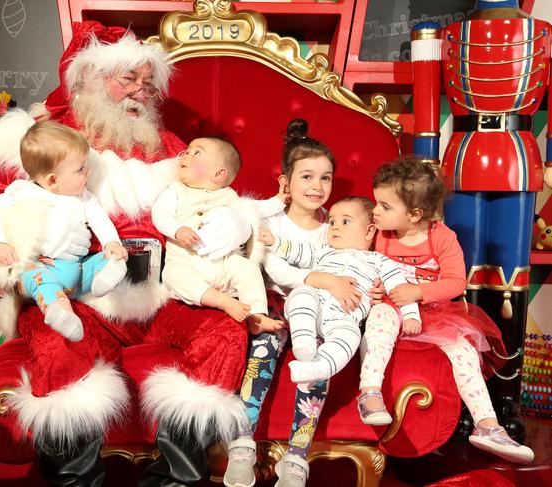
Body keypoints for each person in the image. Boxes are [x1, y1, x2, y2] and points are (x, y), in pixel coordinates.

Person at [0, 21, 254, 486]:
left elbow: (220, 190)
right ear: (88, 79)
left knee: (224, 332)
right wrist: (13, 252)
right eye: (127, 78)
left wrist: (239, 221)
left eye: (147, 81)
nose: (140, 91)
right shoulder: (41, 137)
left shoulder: (173, 147)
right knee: (55, 340)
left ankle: (176, 478)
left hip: (164, 299)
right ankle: (77, 480)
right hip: (82, 300)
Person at [358, 157, 534, 464]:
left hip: (435, 313)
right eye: (377, 202)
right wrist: (377, 289)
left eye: (385, 206)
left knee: (463, 350)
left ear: (415, 214)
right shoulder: (382, 236)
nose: (375, 211)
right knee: (379, 324)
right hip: (393, 308)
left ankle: (487, 425)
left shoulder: (441, 237)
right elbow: (372, 271)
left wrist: (420, 291)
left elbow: (455, 282)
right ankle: (370, 392)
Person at [223, 119, 364, 487]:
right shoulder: (266, 219)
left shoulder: (332, 228)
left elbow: (351, 266)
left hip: (313, 311)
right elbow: (276, 267)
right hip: (271, 303)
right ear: (285, 181)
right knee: (264, 347)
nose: (317, 187)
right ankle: (241, 445)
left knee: (317, 359)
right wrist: (328, 280)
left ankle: (297, 456)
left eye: (326, 178)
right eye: (307, 177)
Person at [0, 121, 129, 342]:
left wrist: (112, 244)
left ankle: (103, 278)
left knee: (111, 257)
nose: (88, 172)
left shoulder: (83, 197)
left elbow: (100, 219)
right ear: (53, 179)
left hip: (78, 272)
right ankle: (59, 311)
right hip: (42, 268)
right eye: (80, 169)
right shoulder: (23, 192)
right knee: (35, 276)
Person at [259, 196, 421, 385]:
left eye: (345, 222)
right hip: (314, 305)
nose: (335, 226)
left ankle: (317, 367)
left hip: (344, 317)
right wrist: (273, 241)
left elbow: (400, 287)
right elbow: (297, 251)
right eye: (332, 222)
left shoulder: (379, 261)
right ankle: (303, 340)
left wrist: (411, 315)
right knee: (301, 294)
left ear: (369, 231)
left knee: (350, 338)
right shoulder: (323, 251)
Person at [152, 136, 284, 331]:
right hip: (185, 261)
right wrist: (177, 230)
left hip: (223, 266)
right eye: (188, 150)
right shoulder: (176, 190)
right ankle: (222, 301)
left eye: (196, 152)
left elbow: (254, 208)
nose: (186, 155)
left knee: (247, 269)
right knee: (173, 275)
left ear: (218, 174)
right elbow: (160, 213)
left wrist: (279, 200)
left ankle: (256, 316)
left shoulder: (229, 195)